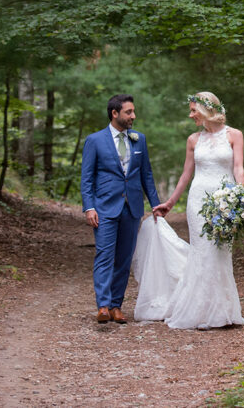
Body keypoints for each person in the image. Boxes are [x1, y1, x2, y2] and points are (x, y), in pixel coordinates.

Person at [132, 91, 244, 329]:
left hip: (224, 203)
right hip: (197, 202)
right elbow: (186, 174)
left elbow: (238, 169)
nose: (191, 114)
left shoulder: (234, 135)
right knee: (203, 252)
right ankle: (201, 312)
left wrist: (240, 198)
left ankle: (223, 310)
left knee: (221, 253)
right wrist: (170, 203)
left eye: (194, 110)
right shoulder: (193, 140)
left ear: (206, 110)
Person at [80, 94, 163, 324]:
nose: (133, 116)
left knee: (124, 258)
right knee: (105, 255)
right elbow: (87, 178)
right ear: (114, 113)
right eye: (129, 112)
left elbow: (147, 174)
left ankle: (117, 305)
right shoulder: (94, 141)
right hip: (105, 207)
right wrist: (89, 207)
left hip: (132, 207)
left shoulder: (139, 140)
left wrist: (155, 205)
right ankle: (103, 306)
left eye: (133, 112)